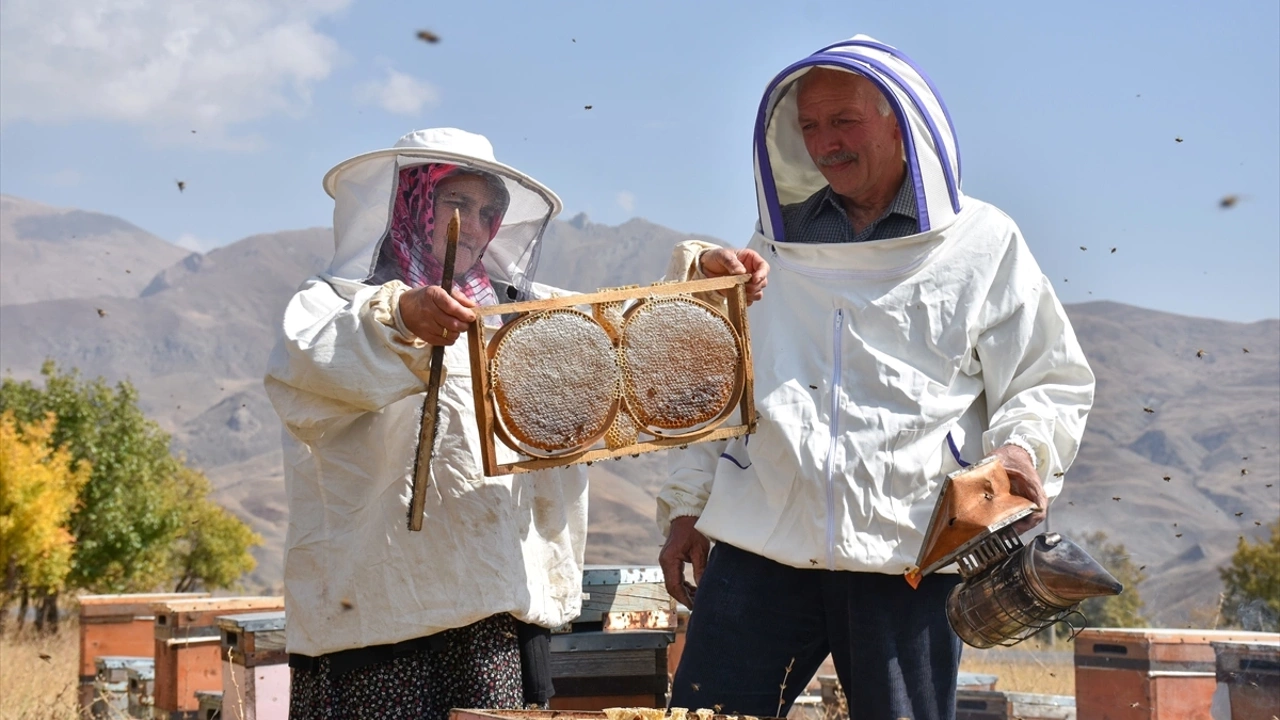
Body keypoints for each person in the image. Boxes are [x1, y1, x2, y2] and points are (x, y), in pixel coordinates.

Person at [657, 36, 1095, 720]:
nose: (825, 142)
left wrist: (1020, 452)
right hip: (762, 539)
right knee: (707, 713)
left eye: (844, 121)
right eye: (809, 126)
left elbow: (1046, 379)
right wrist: (686, 504)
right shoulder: (775, 244)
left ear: (899, 121)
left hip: (909, 552)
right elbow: (723, 384)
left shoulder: (983, 242)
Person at [264, 128, 586, 719]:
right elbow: (318, 365)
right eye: (455, 204)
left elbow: (625, 334)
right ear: (408, 200)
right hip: (377, 613)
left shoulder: (522, 311)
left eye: (490, 212)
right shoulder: (332, 303)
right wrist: (403, 317)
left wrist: (706, 272)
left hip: (495, 606)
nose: (477, 224)